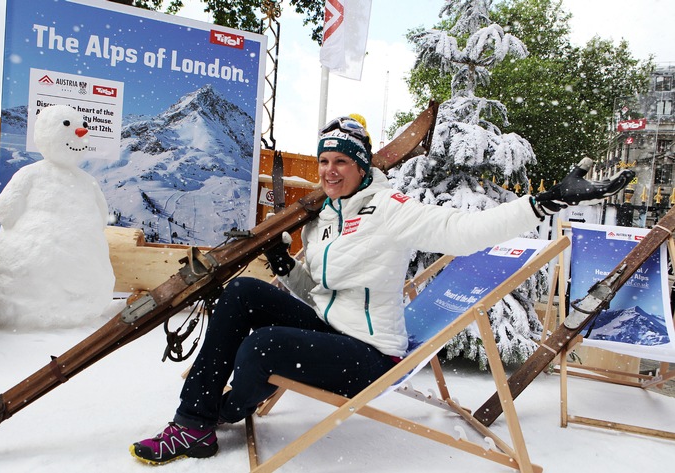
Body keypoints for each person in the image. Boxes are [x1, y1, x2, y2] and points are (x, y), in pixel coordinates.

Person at [129, 116, 633, 465]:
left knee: (262, 346)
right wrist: (286, 264)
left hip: (369, 354)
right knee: (242, 295)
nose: (329, 170)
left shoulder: (390, 208)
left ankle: (223, 410)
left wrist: (543, 203)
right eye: (324, 161)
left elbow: (464, 231)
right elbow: (314, 292)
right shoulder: (323, 217)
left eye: (341, 162)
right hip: (329, 329)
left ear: (361, 166)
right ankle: (195, 420)